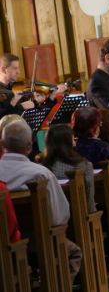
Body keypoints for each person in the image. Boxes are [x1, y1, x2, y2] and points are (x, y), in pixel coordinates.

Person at [0, 120, 82, 282]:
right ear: (30, 146)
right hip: (40, 240)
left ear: (2, 144)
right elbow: (60, 215)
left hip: (4, 240)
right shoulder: (40, 174)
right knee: (74, 252)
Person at [42, 123, 96, 212]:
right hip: (80, 215)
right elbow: (89, 202)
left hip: (53, 216)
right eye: (73, 138)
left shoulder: (42, 168)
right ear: (69, 142)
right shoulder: (83, 166)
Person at [0, 53, 35, 119]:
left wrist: (37, 101)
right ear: (4, 70)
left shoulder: (17, 87)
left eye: (18, 68)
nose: (18, 72)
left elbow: (31, 110)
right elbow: (2, 119)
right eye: (15, 68)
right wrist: (17, 103)